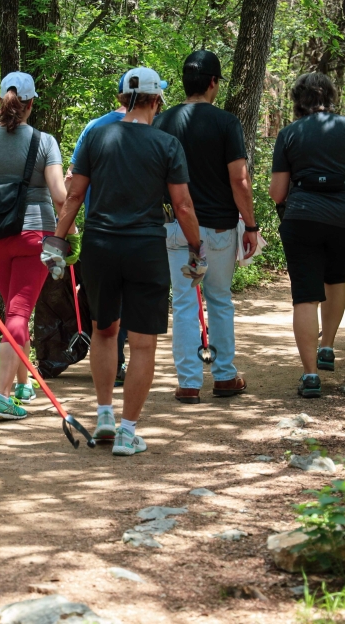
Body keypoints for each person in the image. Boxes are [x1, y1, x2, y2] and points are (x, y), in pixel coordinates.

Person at [48, 67, 206, 455]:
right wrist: (197, 247)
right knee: (143, 343)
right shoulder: (166, 144)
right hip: (145, 248)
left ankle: (104, 415)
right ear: (157, 100)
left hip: (101, 246)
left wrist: (56, 240)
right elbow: (182, 205)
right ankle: (127, 431)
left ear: (121, 99)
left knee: (104, 330)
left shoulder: (96, 136)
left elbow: (72, 196)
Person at [154, 50, 256, 404]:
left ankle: (189, 382)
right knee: (219, 300)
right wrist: (252, 225)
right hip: (218, 229)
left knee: (183, 303)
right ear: (213, 82)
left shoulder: (162, 122)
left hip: (176, 227)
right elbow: (239, 180)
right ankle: (225, 376)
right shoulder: (226, 123)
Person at [270, 72, 345, 398]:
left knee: (305, 293)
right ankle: (327, 346)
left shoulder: (289, 134)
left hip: (303, 217)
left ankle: (310, 375)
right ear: (332, 96)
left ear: (297, 99)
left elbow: (277, 193)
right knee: (335, 278)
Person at [0, 72, 69, 415]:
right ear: (31, 104)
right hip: (36, 236)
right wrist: (70, 231)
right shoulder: (44, 142)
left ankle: (22, 384)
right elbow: (59, 195)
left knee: (15, 311)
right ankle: (3, 397)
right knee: (19, 313)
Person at [66, 74, 129, 385]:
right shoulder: (156, 130)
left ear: (119, 96)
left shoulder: (93, 128)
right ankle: (120, 358)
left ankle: (112, 363)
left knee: (106, 300)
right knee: (130, 298)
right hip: (141, 229)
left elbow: (71, 180)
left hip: (98, 227)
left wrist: (64, 229)